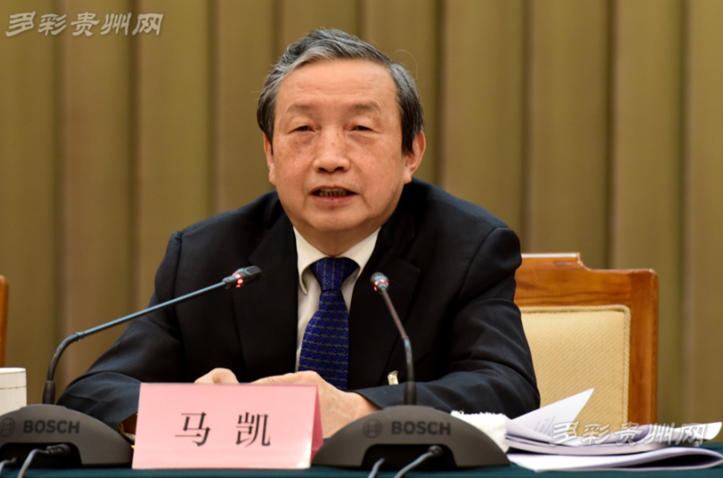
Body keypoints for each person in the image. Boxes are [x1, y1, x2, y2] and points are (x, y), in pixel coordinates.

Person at [58, 29, 539, 438]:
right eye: (304, 129)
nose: (330, 158)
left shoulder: (466, 249)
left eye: (360, 128)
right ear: (270, 154)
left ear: (411, 154)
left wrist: (357, 411)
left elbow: (507, 389)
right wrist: (188, 411)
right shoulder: (207, 258)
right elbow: (94, 394)